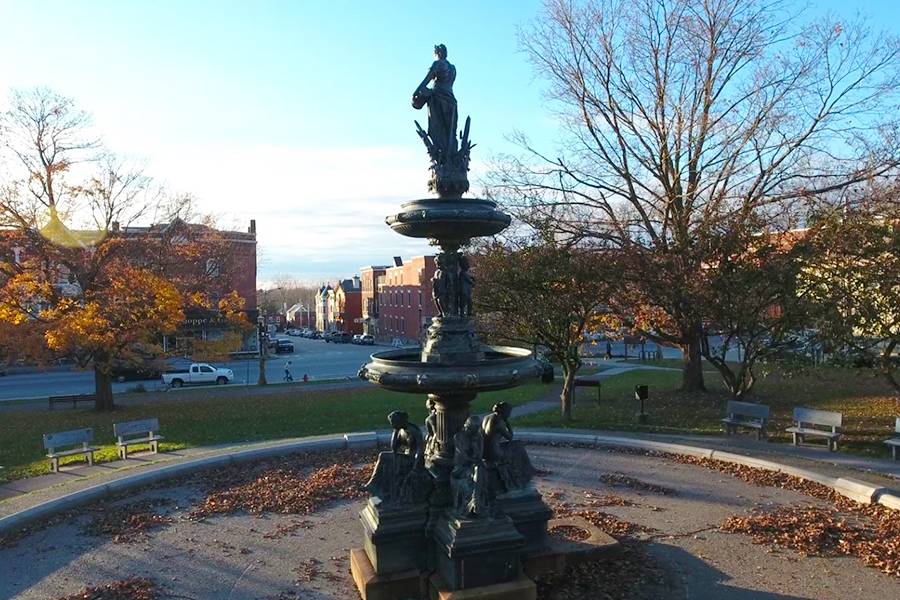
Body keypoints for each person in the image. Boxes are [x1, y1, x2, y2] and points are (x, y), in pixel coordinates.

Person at [413, 44, 458, 157]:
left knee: (437, 128)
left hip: (438, 98)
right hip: (451, 100)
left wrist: (415, 92)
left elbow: (426, 80)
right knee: (450, 131)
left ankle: (441, 157)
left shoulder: (438, 64)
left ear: (437, 53)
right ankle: (451, 158)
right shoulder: (453, 68)